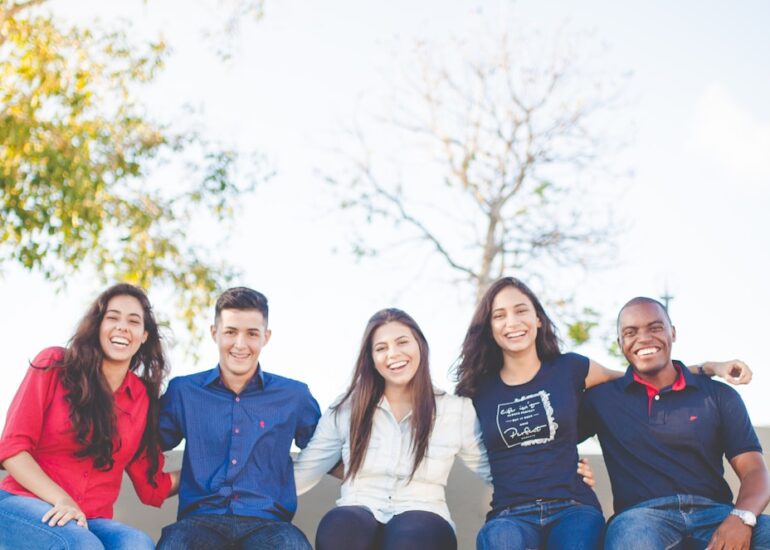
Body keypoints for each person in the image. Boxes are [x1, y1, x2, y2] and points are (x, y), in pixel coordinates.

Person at [453, 277, 750, 550]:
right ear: (489, 327)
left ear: (538, 319)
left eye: (521, 311)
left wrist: (708, 368)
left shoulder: (571, 368)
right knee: (498, 540)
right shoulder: (478, 389)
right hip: (509, 512)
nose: (512, 322)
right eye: (499, 315)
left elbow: (640, 376)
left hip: (572, 506)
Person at [292, 308, 494, 550]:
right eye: (381, 348)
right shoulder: (347, 408)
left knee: (411, 536)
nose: (393, 354)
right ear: (371, 358)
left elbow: (493, 470)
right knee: (340, 527)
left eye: (402, 342)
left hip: (424, 512)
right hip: (359, 507)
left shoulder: (456, 410)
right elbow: (306, 470)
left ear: (420, 344)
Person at [581, 296, 770, 549]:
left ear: (673, 332)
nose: (644, 338)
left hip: (715, 513)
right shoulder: (601, 399)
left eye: (655, 328)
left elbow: (755, 470)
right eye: (631, 332)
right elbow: (549, 440)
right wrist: (574, 467)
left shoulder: (717, 395)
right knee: (632, 541)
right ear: (620, 343)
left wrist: (741, 517)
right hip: (640, 519)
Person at [0, 283, 177, 550]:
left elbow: (152, 487)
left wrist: (208, 470)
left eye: (133, 321)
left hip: (90, 520)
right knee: (82, 545)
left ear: (144, 336)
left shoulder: (142, 398)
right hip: (22, 503)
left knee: (138, 544)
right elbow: (12, 449)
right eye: (113, 317)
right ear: (98, 326)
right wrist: (62, 500)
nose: (122, 327)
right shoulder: (55, 365)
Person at [157, 286, 321, 550]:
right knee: (175, 545)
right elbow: (144, 442)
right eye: (231, 332)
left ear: (266, 337)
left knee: (292, 546)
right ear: (214, 333)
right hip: (199, 522)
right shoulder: (183, 391)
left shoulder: (294, 396)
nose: (240, 344)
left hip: (269, 525)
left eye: (252, 334)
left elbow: (328, 450)